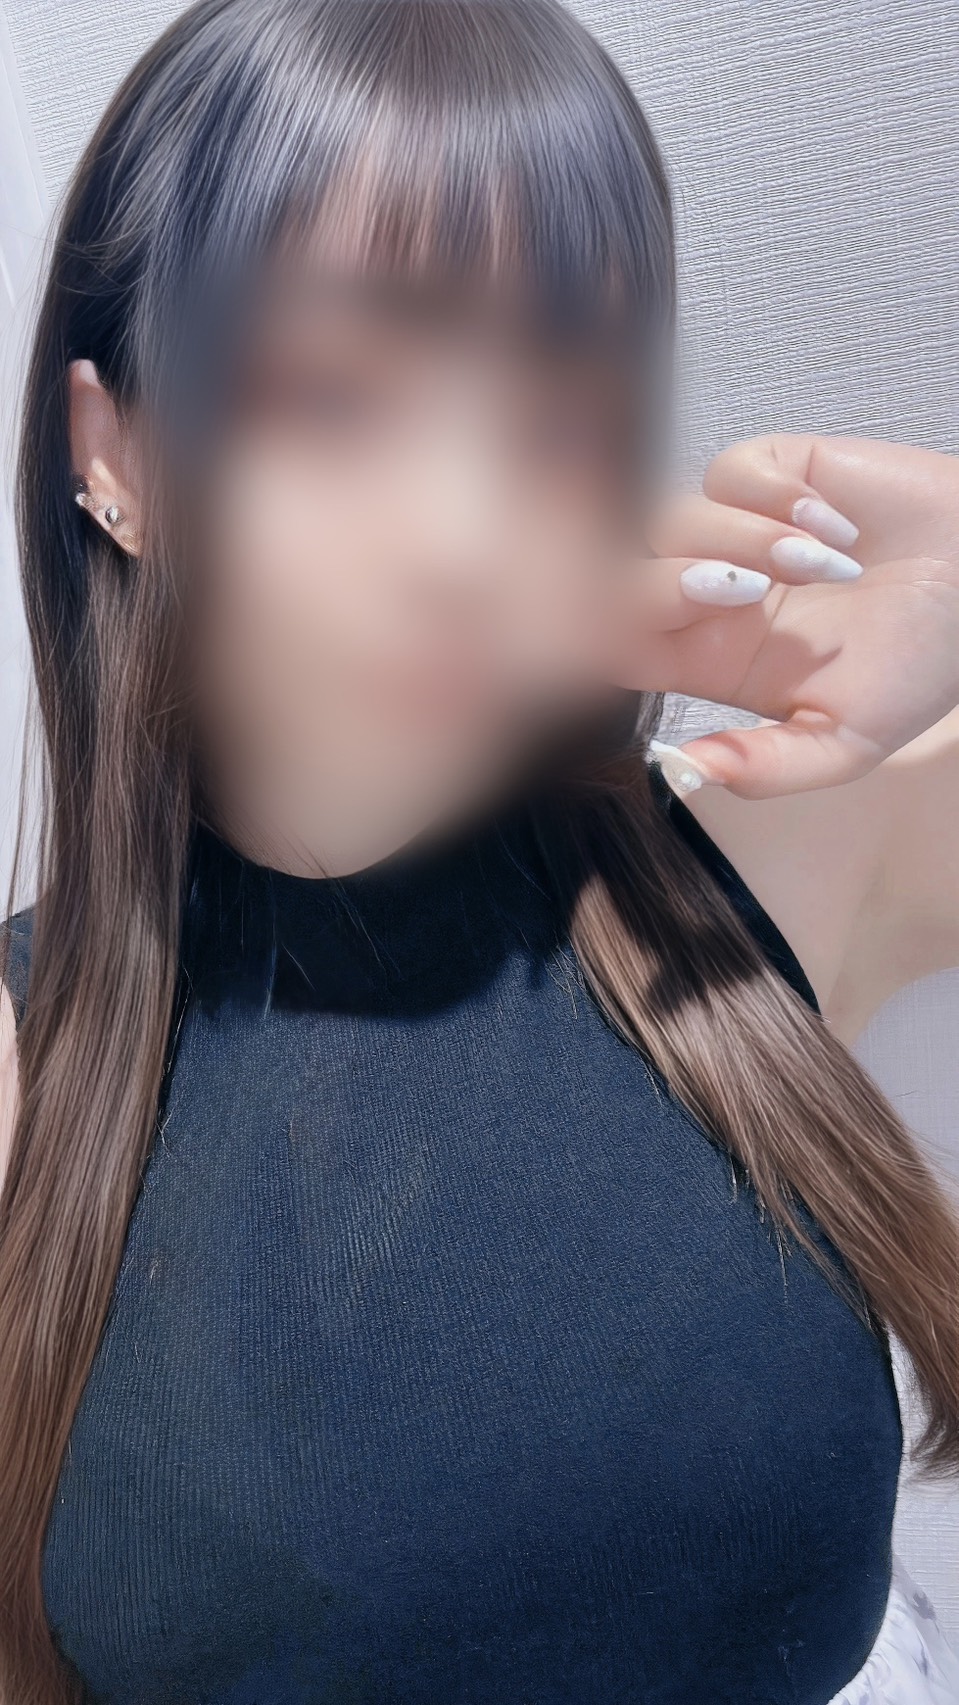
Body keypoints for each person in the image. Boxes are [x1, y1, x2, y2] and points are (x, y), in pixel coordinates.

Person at [0, 2, 956, 1702]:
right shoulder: (26, 1065)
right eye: (332, 397)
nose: (461, 533)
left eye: (554, 423)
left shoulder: (750, 873)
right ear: (112, 452)